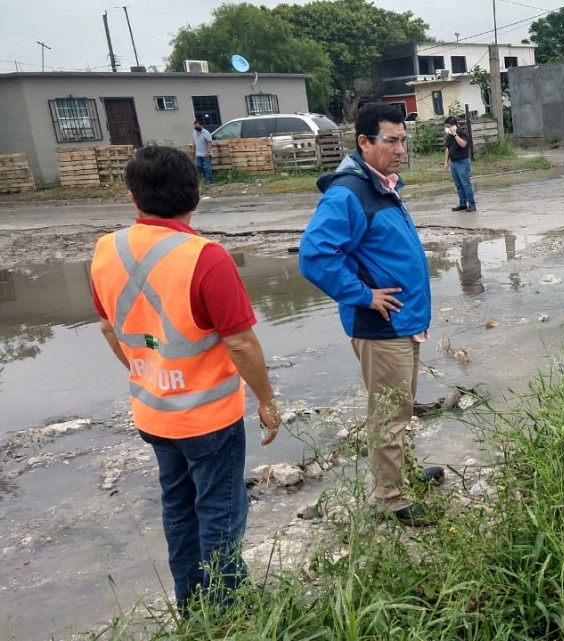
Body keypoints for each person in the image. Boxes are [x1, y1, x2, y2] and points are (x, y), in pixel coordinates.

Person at [89, 145, 281, 613]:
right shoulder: (206, 257)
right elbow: (239, 343)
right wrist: (267, 401)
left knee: (178, 509)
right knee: (219, 513)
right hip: (208, 419)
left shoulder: (105, 250)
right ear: (194, 195)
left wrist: (148, 372)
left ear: (133, 197)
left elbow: (110, 329)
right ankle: (228, 610)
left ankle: (191, 605)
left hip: (153, 414)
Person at [298, 103, 442, 527]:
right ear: (364, 142)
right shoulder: (349, 192)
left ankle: (403, 476)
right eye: (391, 140)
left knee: (401, 408)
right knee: (389, 413)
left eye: (403, 139)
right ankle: (390, 499)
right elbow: (315, 257)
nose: (401, 148)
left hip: (403, 323)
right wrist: (363, 295)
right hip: (381, 327)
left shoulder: (380, 185)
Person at [443, 116, 476, 212]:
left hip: (462, 162)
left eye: (448, 126)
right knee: (458, 185)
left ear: (454, 126)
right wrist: (446, 162)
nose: (447, 129)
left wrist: (455, 134)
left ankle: (472, 204)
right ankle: (462, 204)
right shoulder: (449, 136)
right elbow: (447, 149)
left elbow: (463, 144)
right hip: (454, 163)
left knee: (466, 184)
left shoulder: (462, 133)